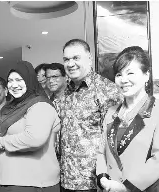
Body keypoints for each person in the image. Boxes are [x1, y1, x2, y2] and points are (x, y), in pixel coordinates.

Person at [96, 46, 159, 192]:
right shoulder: (111, 112)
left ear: (146, 75)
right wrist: (102, 177)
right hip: (111, 187)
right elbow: (102, 151)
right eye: (119, 74)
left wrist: (126, 187)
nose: (123, 80)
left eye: (130, 73)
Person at [54, 39, 123, 192]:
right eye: (66, 59)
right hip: (65, 178)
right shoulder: (66, 91)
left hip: (93, 182)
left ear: (90, 58)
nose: (70, 64)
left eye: (76, 58)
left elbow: (115, 139)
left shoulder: (107, 91)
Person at [0, 60, 61, 192]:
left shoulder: (40, 105)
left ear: (29, 80)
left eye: (19, 80)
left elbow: (34, 138)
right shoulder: (9, 108)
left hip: (34, 183)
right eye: (10, 80)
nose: (14, 85)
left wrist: (1, 142)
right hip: (10, 180)